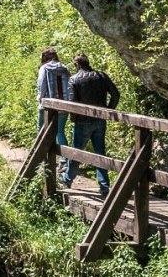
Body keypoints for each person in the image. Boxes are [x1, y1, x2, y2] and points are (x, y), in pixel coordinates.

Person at [63, 54, 120, 196]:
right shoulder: (101, 76)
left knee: (77, 152)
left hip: (82, 121)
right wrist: (108, 111)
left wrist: (74, 119)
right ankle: (104, 186)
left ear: (77, 65)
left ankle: (68, 179)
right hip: (100, 120)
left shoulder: (74, 79)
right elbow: (116, 94)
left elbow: (73, 103)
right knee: (100, 152)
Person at [35, 46, 72, 155]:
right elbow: (70, 86)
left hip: (48, 106)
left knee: (42, 130)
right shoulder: (64, 68)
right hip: (63, 105)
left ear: (44, 57)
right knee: (60, 132)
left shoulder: (44, 68)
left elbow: (42, 86)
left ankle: (40, 155)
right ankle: (64, 159)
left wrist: (40, 99)